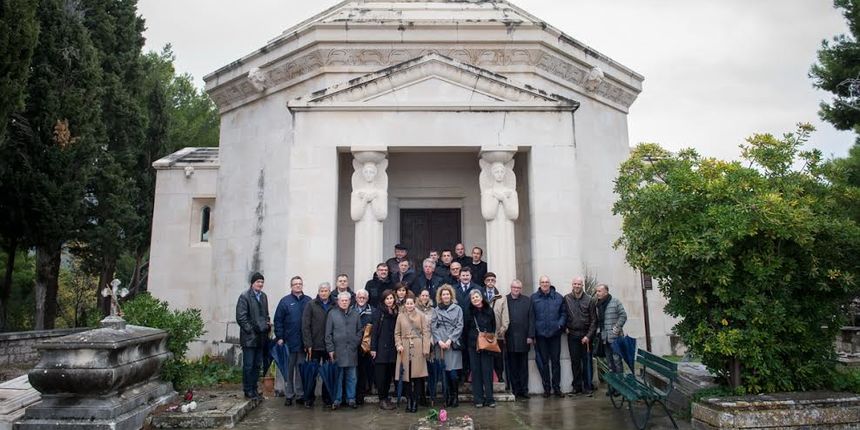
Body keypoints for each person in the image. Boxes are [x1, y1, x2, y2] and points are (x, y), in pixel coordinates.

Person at [273, 275, 311, 406]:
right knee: (289, 371)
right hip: (288, 343)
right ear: (291, 286)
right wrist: (279, 337)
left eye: (300, 283)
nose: (298, 285)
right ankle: (289, 395)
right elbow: (278, 320)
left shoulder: (308, 301)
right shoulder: (285, 301)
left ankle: (300, 395)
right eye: (295, 284)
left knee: (300, 370)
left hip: (303, 343)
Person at [235, 272, 270, 400]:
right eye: (258, 282)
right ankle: (248, 389)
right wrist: (251, 330)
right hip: (250, 338)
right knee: (248, 365)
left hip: (261, 337)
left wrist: (267, 324)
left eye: (262, 282)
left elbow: (265, 314)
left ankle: (254, 388)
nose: (260, 284)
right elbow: (241, 317)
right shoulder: (244, 296)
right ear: (252, 283)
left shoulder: (264, 296)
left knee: (257, 365)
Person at [325, 292, 362, 410]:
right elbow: (328, 334)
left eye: (347, 300)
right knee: (338, 377)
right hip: (337, 351)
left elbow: (360, 331)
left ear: (350, 301)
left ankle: (351, 399)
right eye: (342, 300)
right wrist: (330, 349)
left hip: (351, 351)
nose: (344, 302)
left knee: (352, 377)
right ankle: (337, 399)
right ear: (338, 301)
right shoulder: (332, 314)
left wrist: (355, 342)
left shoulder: (355, 314)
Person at [394, 296, 431, 413]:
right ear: (405, 305)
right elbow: (397, 333)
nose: (409, 305)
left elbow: (425, 332)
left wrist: (426, 348)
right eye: (407, 303)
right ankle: (409, 400)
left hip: (418, 347)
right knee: (406, 377)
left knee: (418, 377)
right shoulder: (400, 316)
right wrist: (398, 344)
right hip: (404, 349)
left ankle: (415, 401)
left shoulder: (421, 316)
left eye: (411, 303)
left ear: (414, 304)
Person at [532, 275, 566, 398]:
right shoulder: (534, 298)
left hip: (555, 335)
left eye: (547, 282)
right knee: (544, 363)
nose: (545, 284)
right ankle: (547, 388)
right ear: (539, 284)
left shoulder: (558, 297)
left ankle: (557, 388)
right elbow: (531, 317)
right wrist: (533, 333)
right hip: (540, 335)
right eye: (542, 282)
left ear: (550, 283)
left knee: (556, 362)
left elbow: (563, 313)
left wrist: (560, 324)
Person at [302, 282, 334, 408]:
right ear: (318, 292)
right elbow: (305, 326)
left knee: (328, 372)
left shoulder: (334, 304)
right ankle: (309, 398)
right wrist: (308, 343)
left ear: (329, 292)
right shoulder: (311, 304)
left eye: (326, 290)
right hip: (314, 346)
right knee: (312, 374)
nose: (323, 293)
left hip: (329, 346)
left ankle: (327, 398)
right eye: (321, 290)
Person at [564, 276, 597, 396]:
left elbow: (594, 320)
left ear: (582, 285)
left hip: (586, 336)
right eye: (575, 284)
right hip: (572, 335)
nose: (577, 286)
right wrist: (565, 327)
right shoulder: (567, 298)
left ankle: (588, 386)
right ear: (572, 285)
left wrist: (588, 336)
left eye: (579, 284)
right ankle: (576, 387)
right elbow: (564, 314)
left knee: (587, 361)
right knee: (575, 362)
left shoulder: (590, 300)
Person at [464, 289, 497, 408]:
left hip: (487, 345)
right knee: (476, 371)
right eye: (473, 298)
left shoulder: (489, 310)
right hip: (473, 345)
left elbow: (493, 326)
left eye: (477, 297)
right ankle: (478, 399)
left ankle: (490, 398)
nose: (475, 299)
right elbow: (466, 329)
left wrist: (488, 337)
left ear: (481, 297)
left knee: (487, 372)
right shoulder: (468, 312)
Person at [432, 284, 463, 407]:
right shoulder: (436, 310)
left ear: (451, 295)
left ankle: (455, 396)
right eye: (443, 294)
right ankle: (447, 396)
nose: (445, 296)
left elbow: (460, 325)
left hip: (453, 343)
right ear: (440, 296)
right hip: (440, 344)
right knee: (444, 371)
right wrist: (439, 341)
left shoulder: (458, 309)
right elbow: (433, 327)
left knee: (453, 373)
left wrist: (451, 340)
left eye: (447, 294)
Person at [505, 279, 534, 400]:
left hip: (523, 338)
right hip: (510, 338)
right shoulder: (505, 300)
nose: (516, 290)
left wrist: (530, 336)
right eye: (514, 287)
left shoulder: (527, 300)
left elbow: (531, 319)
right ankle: (515, 390)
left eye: (518, 288)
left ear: (521, 289)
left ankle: (524, 390)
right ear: (511, 288)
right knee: (512, 366)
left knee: (523, 367)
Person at [371, 290, 399, 410]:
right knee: (381, 376)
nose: (389, 300)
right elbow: (374, 332)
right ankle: (382, 399)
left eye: (391, 298)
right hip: (381, 348)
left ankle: (386, 398)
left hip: (392, 349)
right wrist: (373, 348)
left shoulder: (396, 312)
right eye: (387, 299)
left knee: (388, 376)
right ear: (383, 300)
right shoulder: (379, 312)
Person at [594, 283, 627, 373]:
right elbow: (598, 321)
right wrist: (598, 332)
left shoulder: (615, 301)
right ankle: (612, 386)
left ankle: (620, 383)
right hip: (605, 338)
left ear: (606, 292)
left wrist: (617, 327)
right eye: (597, 291)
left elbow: (623, 315)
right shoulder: (598, 305)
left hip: (616, 337)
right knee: (609, 363)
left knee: (617, 361)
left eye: (599, 291)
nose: (597, 293)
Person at [484, 273, 509, 384]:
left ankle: (499, 376)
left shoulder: (501, 297)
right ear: (485, 281)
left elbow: (505, 315)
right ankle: (487, 376)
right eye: (488, 280)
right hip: (484, 333)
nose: (490, 282)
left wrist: (503, 329)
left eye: (492, 280)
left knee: (498, 357)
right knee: (485, 357)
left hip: (497, 332)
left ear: (495, 282)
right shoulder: (480, 294)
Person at [354, 289, 375, 405]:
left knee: (367, 371)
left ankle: (365, 392)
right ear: (356, 298)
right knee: (356, 372)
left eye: (364, 298)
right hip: (354, 345)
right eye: (359, 297)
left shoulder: (373, 311)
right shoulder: (351, 310)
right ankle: (356, 395)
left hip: (368, 347)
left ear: (367, 299)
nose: (361, 300)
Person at [415, 289, 435, 406]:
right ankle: (420, 396)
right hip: (418, 343)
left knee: (431, 371)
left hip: (430, 344)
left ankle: (430, 394)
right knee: (420, 372)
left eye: (427, 295)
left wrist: (431, 341)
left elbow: (434, 327)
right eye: (423, 295)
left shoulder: (433, 310)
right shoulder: (415, 310)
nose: (425, 297)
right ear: (419, 296)